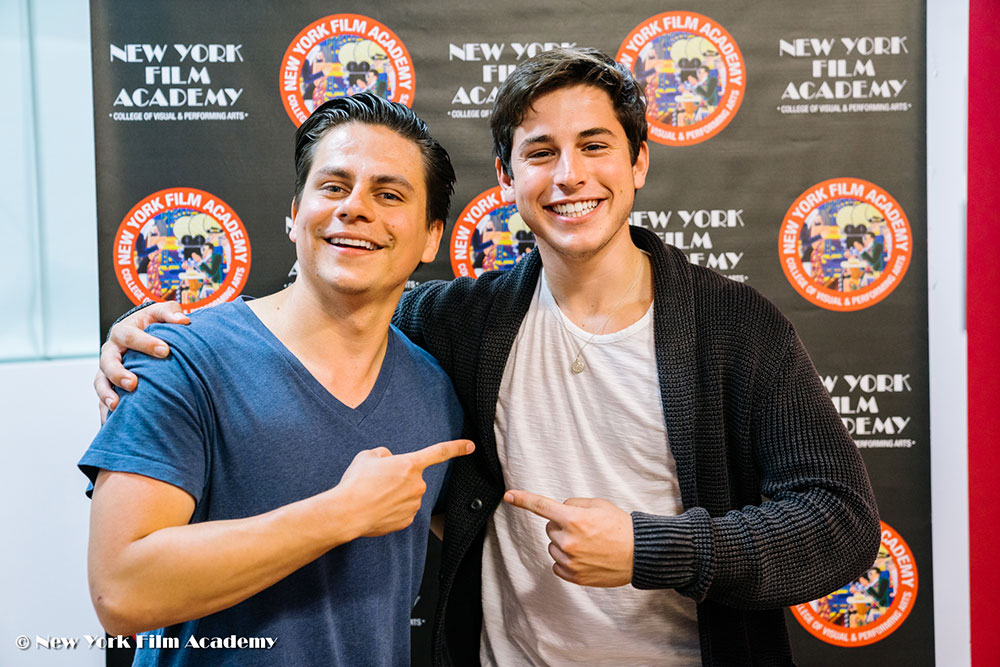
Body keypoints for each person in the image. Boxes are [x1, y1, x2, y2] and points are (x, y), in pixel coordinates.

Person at [95, 49, 880, 666]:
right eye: (540, 152)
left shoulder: (736, 325)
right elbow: (332, 306)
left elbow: (840, 525)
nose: (568, 174)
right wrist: (145, 338)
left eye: (595, 145)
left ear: (637, 163)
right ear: (508, 179)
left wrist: (652, 547)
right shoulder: (457, 320)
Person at [81, 93, 474, 666]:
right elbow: (120, 590)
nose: (355, 208)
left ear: (432, 237)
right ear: (295, 214)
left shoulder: (435, 389)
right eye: (334, 187)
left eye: (388, 195)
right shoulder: (180, 357)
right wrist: (340, 513)